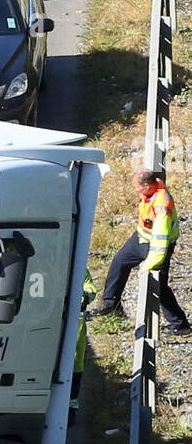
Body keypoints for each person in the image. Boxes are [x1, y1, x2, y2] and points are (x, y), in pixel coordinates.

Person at [91, 169, 190, 334]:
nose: (135, 189)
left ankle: (180, 325)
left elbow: (160, 242)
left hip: (157, 245)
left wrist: (148, 265)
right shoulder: (153, 188)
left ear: (146, 186)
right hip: (141, 237)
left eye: (137, 186)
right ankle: (111, 303)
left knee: (158, 285)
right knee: (120, 262)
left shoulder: (162, 206)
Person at [69, 268, 96, 422]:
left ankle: (71, 405)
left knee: (76, 364)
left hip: (76, 320)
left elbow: (90, 288)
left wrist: (83, 297)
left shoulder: (78, 266)